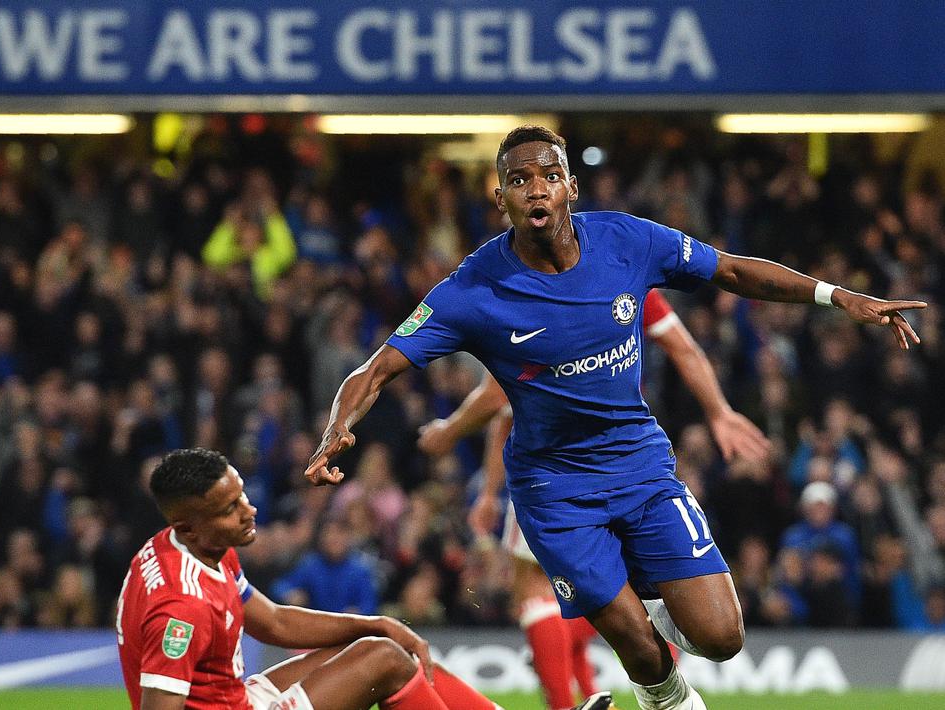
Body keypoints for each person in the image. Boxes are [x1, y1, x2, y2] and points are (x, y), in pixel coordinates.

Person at [306, 126, 926, 710]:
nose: (536, 189)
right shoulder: (474, 289)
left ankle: (652, 609)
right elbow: (379, 366)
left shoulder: (628, 241)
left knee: (721, 638)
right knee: (633, 641)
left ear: (571, 186)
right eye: (519, 180)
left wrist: (838, 296)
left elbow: (732, 270)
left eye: (549, 175)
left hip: (639, 465)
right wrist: (338, 426)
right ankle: (668, 697)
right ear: (501, 198)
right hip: (554, 491)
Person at [418, 290, 770, 710]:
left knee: (537, 592)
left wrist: (450, 432)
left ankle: (567, 705)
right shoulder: (628, 277)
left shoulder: (526, 294)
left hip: (553, 473)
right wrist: (717, 410)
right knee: (622, 591)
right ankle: (610, 695)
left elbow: (499, 402)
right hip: (628, 458)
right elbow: (682, 344)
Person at [116, 447, 535, 710]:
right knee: (383, 659)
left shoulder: (193, 546)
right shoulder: (181, 609)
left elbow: (274, 621)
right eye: (229, 509)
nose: (248, 510)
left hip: (237, 697)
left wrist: (376, 622)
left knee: (379, 643)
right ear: (188, 526)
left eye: (241, 494)